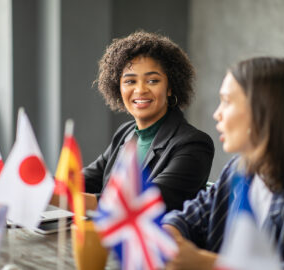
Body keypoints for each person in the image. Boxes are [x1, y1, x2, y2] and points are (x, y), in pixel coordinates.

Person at [162, 56, 284, 269]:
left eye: (227, 102)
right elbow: (189, 217)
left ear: (261, 111)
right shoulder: (238, 170)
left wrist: (209, 264)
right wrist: (169, 234)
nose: (217, 114)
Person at [82, 31, 215, 212]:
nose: (140, 90)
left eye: (152, 80)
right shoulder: (126, 133)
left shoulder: (194, 144)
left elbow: (143, 204)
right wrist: (38, 184)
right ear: (117, 87)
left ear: (170, 88)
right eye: (130, 81)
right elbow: (83, 181)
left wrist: (54, 196)